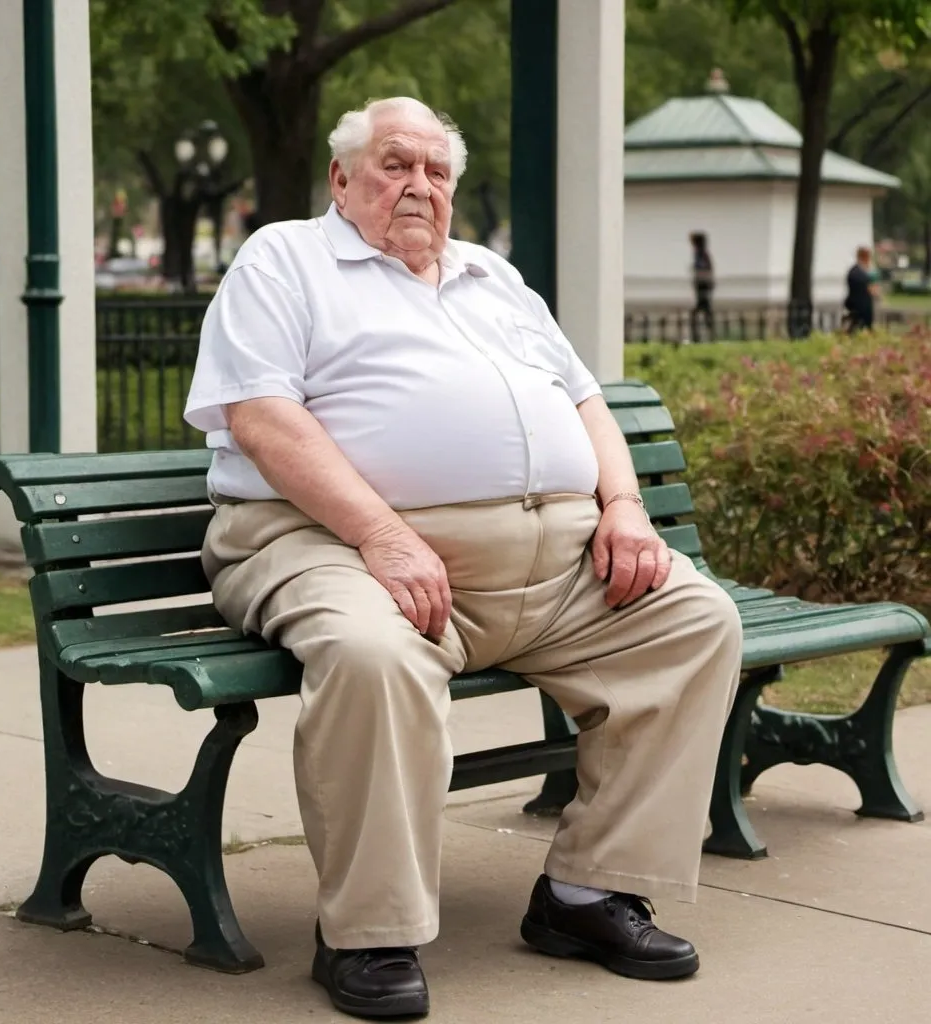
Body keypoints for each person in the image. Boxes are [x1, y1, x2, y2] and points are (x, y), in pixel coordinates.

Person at [184, 97, 743, 1020]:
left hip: (551, 568)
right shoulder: (285, 259)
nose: (418, 186)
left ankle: (587, 893)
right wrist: (384, 534)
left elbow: (583, 402)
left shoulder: (493, 275)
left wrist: (625, 507)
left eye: (436, 172)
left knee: (691, 622)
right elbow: (262, 416)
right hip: (335, 543)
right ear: (341, 178)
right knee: (371, 658)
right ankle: (368, 932)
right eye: (394, 164)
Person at [844, 246, 878, 333]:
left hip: (853, 306)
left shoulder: (853, 271)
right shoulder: (864, 275)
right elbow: (873, 290)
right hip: (863, 309)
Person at [689, 232, 715, 341]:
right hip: (702, 285)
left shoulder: (701, 254)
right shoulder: (701, 254)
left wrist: (696, 270)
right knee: (704, 310)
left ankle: (700, 336)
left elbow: (703, 268)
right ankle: (709, 334)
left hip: (702, 285)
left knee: (701, 310)